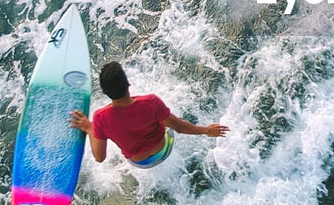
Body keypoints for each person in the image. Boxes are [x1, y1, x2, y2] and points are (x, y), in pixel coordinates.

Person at [69, 61, 228, 169]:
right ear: (128, 84)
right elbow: (179, 127)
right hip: (165, 150)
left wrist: (89, 128)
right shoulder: (151, 102)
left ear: (104, 92)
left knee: (115, 131)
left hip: (140, 163)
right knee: (165, 120)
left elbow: (100, 157)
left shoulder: (100, 118)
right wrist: (206, 130)